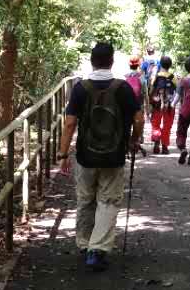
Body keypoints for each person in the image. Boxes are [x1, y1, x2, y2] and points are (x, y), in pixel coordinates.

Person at [60, 41, 144, 271]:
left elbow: (69, 123)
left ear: (91, 61)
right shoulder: (123, 88)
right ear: (112, 61)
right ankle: (97, 251)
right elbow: (138, 118)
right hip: (114, 155)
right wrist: (134, 139)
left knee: (85, 199)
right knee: (108, 201)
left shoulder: (80, 88)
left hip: (85, 155)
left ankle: (84, 243)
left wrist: (63, 153)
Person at [149, 56, 177, 154]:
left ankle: (157, 143)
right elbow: (177, 92)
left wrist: (149, 101)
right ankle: (165, 146)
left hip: (157, 104)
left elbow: (151, 90)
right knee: (167, 126)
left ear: (160, 64)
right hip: (168, 105)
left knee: (155, 124)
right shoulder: (173, 77)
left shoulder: (156, 76)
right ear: (170, 66)